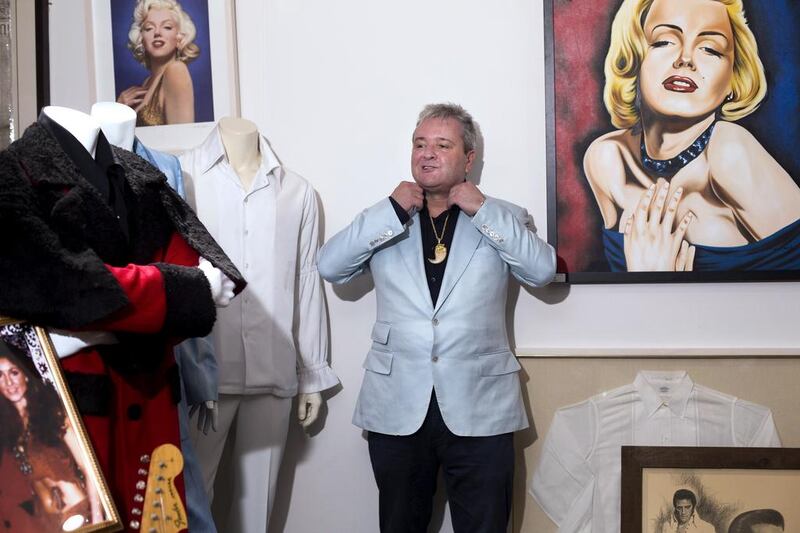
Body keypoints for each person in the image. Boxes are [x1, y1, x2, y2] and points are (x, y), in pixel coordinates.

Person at [0, 105, 244, 530]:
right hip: (74, 406)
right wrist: (170, 293)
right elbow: (52, 281)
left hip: (152, 400)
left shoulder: (136, 172)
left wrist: (95, 321)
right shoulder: (14, 172)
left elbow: (211, 272)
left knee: (157, 515)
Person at [318, 103, 556, 532]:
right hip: (397, 405)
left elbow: (542, 272)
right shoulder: (387, 219)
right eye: (419, 144)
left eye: (442, 145)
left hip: (481, 407)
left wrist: (482, 209)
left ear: (468, 159)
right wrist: (390, 209)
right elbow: (330, 266)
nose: (426, 153)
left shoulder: (503, 215)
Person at [181, 116, 339, 533]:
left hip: (274, 367)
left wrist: (311, 374)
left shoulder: (297, 191)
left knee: (257, 512)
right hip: (205, 371)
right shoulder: (183, 175)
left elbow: (306, 280)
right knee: (190, 499)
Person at [583, 0, 800, 272]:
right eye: (664, 41)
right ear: (633, 60)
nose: (685, 58)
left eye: (710, 49)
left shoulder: (730, 151)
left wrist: (656, 278)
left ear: (734, 80)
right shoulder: (607, 159)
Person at [0, 343, 100, 531]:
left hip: (78, 512)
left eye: (14, 372)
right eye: (0, 376)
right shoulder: (10, 428)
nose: (9, 382)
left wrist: (98, 519)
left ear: (26, 376)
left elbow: (89, 468)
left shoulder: (52, 414)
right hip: (47, 523)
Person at [117, 0, 199, 126]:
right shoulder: (147, 82)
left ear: (180, 37)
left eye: (167, 27)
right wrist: (119, 109)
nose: (157, 33)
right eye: (149, 28)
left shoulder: (176, 71)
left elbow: (182, 140)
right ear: (141, 39)